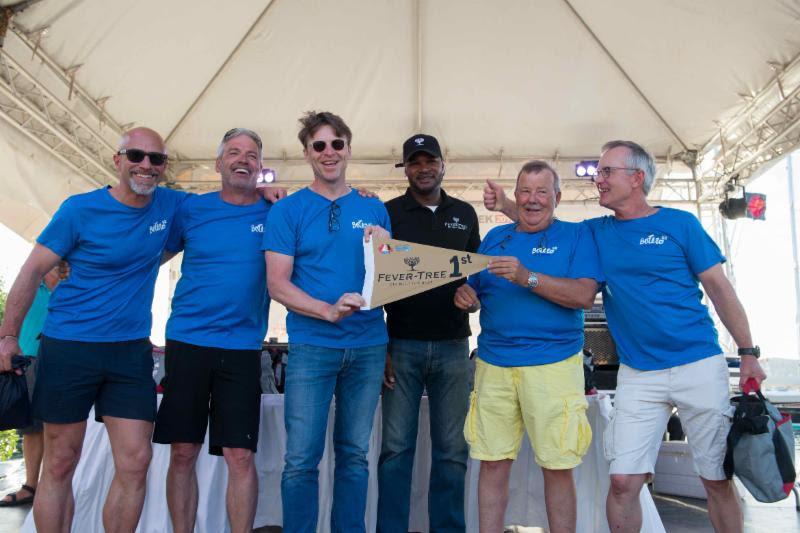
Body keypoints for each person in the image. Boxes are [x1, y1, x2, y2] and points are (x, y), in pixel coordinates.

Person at [484, 141, 766, 533]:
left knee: (716, 479)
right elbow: (540, 217)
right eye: (597, 172)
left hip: (697, 364)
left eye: (605, 172)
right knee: (622, 484)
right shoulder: (595, 232)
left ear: (636, 178)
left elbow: (720, 289)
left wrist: (749, 351)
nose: (597, 180)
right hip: (638, 372)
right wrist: (507, 206)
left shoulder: (680, 224)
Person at [0, 127, 185, 533]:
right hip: (70, 347)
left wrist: (267, 194)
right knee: (61, 460)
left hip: (129, 351)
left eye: (156, 159)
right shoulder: (79, 209)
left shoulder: (172, 204)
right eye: (136, 155)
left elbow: (225, 207)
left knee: (136, 461)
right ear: (118, 161)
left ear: (164, 167)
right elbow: (32, 270)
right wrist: (8, 336)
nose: (146, 165)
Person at [263, 111, 391, 532]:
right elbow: (277, 284)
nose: (329, 152)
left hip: (369, 345)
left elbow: (388, 278)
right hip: (313, 345)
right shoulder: (288, 211)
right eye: (319, 145)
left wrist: (388, 249)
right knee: (301, 458)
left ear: (349, 149)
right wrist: (325, 310)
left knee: (355, 454)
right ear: (307, 153)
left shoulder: (374, 208)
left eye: (337, 143)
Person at [455, 161, 600, 533]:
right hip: (493, 364)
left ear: (557, 197)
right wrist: (467, 296)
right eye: (525, 191)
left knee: (557, 465)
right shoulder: (494, 239)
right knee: (492, 462)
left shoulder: (577, 236)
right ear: (514, 195)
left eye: (541, 192)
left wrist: (527, 276)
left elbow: (584, 295)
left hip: (554, 365)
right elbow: (475, 293)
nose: (532, 200)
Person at [152, 128, 273, 533]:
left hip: (241, 348)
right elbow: (147, 256)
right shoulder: (191, 209)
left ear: (261, 166)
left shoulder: (276, 212)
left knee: (241, 456)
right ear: (218, 163)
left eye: (252, 154)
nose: (243, 159)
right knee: (183, 452)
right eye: (234, 152)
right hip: (187, 342)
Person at [377, 134, 480, 532]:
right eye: (414, 162)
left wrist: (475, 299)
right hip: (400, 345)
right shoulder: (388, 213)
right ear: (405, 168)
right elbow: (374, 283)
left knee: (453, 451)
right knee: (395, 450)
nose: (423, 168)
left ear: (442, 164)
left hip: (455, 346)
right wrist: (381, 347)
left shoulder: (465, 213)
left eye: (429, 160)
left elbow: (476, 277)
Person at [0, 266, 62, 508]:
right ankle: (31, 485)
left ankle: (53, 483)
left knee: (58, 425)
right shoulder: (29, 285)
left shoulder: (73, 283)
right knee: (31, 426)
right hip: (28, 359)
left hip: (62, 359)